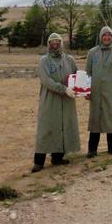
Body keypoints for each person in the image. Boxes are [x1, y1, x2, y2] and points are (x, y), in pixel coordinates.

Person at [31, 32, 80, 173]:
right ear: (48, 44)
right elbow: (47, 81)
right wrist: (63, 89)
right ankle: (38, 161)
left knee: (63, 126)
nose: (55, 44)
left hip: (66, 101)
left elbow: (76, 76)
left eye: (57, 41)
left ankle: (57, 157)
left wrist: (82, 88)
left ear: (61, 43)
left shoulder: (69, 60)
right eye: (52, 41)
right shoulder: (44, 61)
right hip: (50, 101)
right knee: (46, 128)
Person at [85, 25, 112, 157]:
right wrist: (86, 90)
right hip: (95, 92)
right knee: (95, 119)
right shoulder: (93, 52)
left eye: (109, 35)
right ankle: (92, 150)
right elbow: (88, 73)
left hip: (111, 92)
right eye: (104, 35)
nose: (107, 37)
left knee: (111, 118)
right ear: (100, 37)